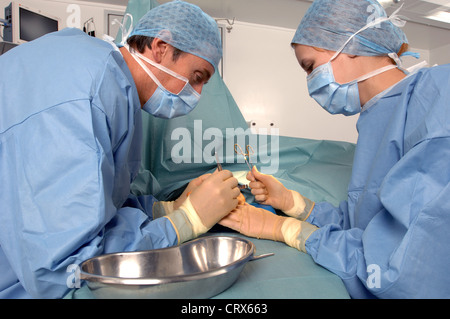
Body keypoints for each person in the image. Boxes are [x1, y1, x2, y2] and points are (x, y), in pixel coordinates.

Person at [0, 0, 240, 299]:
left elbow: (97, 204)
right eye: (196, 77)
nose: (198, 94)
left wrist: (167, 208)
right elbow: (69, 270)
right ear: (161, 47)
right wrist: (186, 221)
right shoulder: (85, 95)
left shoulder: (103, 76)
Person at [220, 0, 450, 298]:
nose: (310, 82)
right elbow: (369, 223)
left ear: (350, 43)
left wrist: (285, 229)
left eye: (310, 66)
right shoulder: (377, 119)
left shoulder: (437, 101)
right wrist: (294, 203)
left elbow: (402, 272)